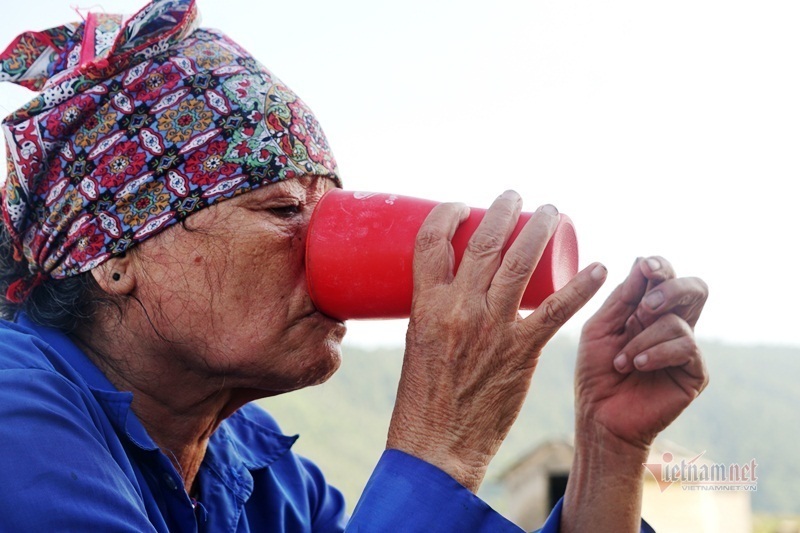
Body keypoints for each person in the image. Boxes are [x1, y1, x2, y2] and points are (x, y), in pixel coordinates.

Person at [0, 0, 709, 531]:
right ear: (115, 255)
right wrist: (438, 441)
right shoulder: (17, 420)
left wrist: (608, 457)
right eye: (283, 211)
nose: (325, 244)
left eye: (336, 212)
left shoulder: (253, 467)